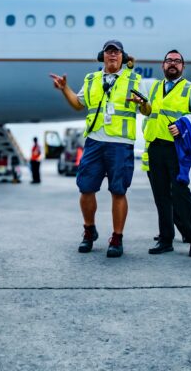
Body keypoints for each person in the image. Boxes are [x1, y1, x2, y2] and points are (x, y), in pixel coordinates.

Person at [50, 40, 149, 258]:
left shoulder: (134, 79)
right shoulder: (92, 79)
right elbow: (78, 104)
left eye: (116, 52)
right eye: (108, 52)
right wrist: (64, 88)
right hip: (94, 141)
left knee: (118, 191)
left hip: (121, 144)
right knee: (85, 188)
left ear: (123, 57)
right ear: (102, 56)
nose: (112, 55)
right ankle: (89, 230)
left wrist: (141, 103)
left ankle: (117, 237)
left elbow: (148, 110)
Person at [144, 50, 191, 258]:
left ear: (183, 66)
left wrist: (182, 125)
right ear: (163, 65)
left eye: (177, 61)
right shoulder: (154, 87)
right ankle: (165, 239)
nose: (172, 64)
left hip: (177, 149)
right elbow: (149, 112)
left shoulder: (190, 89)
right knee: (160, 197)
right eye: (169, 60)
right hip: (155, 146)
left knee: (180, 195)